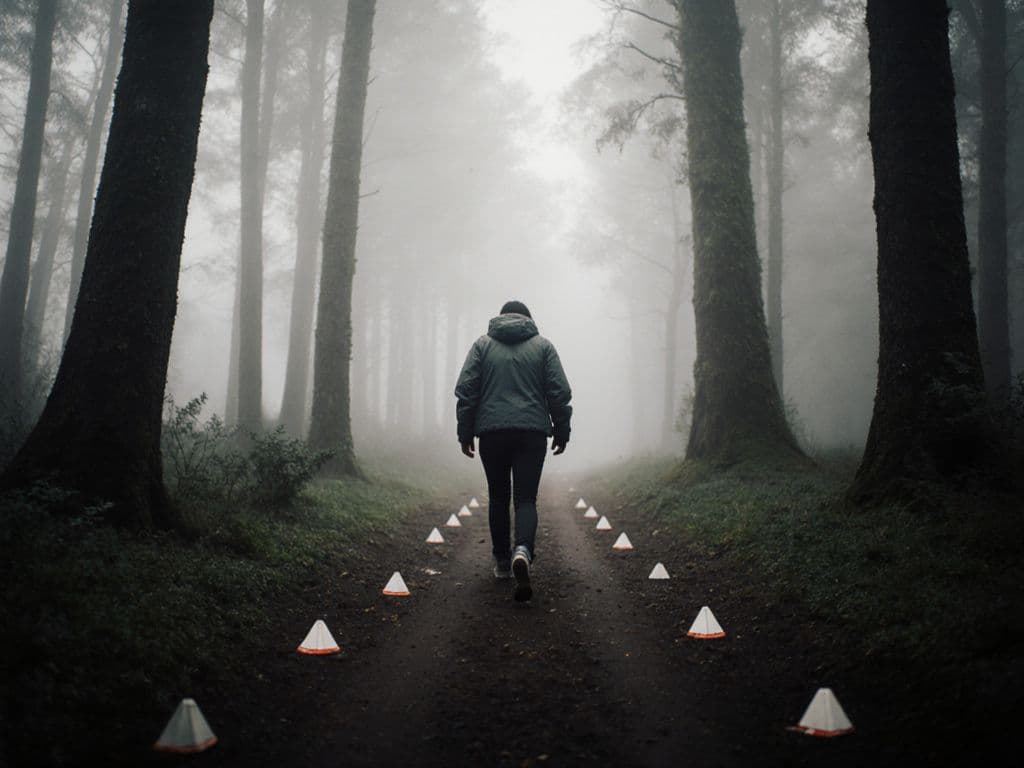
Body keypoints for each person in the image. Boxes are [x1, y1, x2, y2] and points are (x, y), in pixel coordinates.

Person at [454, 300, 573, 602]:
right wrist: (561, 430)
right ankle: (523, 549)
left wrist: (465, 431)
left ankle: (503, 563)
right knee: (525, 498)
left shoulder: (482, 346)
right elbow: (558, 392)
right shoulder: (543, 347)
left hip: (492, 433)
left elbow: (467, 390)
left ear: (500, 317)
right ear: (528, 320)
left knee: (497, 496)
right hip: (531, 434)